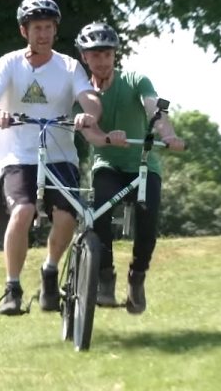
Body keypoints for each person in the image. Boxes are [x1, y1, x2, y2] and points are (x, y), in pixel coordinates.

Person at [0, 0, 109, 315]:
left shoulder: (68, 66)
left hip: (60, 154)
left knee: (66, 217)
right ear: (25, 31)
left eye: (49, 27)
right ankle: (12, 288)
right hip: (18, 156)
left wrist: (89, 113)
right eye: (37, 28)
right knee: (22, 212)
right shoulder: (9, 63)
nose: (44, 33)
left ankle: (50, 270)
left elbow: (89, 97)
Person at [74, 22, 186, 314]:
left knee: (147, 223)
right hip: (108, 164)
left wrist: (168, 134)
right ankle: (105, 277)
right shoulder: (83, 96)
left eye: (107, 55)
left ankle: (137, 278)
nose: (102, 61)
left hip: (143, 165)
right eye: (95, 55)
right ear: (85, 57)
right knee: (99, 211)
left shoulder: (136, 79)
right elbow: (91, 134)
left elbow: (155, 108)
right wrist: (108, 138)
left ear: (115, 55)